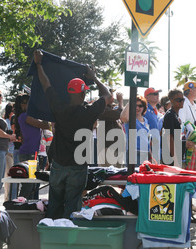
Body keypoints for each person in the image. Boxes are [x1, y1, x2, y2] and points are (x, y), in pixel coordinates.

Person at [33, 49, 112, 220]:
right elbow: (107, 96)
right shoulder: (89, 112)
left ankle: (51, 236)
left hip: (59, 165)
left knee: (54, 204)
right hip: (78, 167)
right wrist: (94, 78)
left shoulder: (58, 108)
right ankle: (68, 239)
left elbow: (46, 84)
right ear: (84, 93)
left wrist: (39, 64)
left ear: (69, 93)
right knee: (72, 207)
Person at [17, 94, 50, 199]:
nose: (25, 105)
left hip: (32, 153)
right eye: (23, 103)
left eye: (28, 102)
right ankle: (20, 205)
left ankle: (25, 205)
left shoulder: (28, 116)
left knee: (31, 184)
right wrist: (43, 112)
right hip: (28, 153)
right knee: (28, 185)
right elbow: (46, 125)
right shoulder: (24, 116)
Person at [120, 95, 151, 166]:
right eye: (135, 105)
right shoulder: (130, 118)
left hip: (145, 153)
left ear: (144, 107)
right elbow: (123, 117)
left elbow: (147, 139)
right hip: (134, 152)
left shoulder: (145, 120)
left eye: (140, 106)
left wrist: (150, 155)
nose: (137, 108)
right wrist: (130, 101)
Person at [179, 81, 196, 172]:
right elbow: (181, 124)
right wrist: (185, 141)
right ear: (191, 90)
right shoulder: (184, 104)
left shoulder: (192, 105)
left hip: (195, 147)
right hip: (189, 147)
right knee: (190, 177)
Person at [97, 91, 124, 167]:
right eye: (111, 95)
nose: (113, 97)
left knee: (118, 175)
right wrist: (120, 101)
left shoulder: (109, 108)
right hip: (108, 149)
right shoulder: (102, 108)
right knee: (111, 175)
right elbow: (119, 114)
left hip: (115, 148)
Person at [161, 88, 185, 166]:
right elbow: (169, 138)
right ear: (171, 100)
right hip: (170, 156)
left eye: (183, 99)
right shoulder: (170, 115)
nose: (182, 102)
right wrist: (175, 158)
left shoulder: (175, 114)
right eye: (179, 100)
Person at [144, 87, 162, 162]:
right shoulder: (145, 109)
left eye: (158, 94)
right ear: (147, 97)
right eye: (155, 94)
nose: (157, 95)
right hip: (148, 147)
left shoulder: (154, 110)